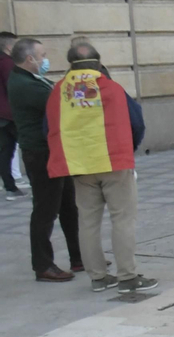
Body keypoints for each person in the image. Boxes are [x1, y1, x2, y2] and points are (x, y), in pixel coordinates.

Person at [45, 42, 154, 293]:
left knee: (88, 222)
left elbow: (48, 130)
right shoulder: (112, 88)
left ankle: (98, 278)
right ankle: (127, 277)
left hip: (80, 165)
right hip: (114, 162)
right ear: (97, 62)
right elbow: (137, 122)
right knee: (123, 219)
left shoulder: (59, 91)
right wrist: (129, 148)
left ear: (70, 63)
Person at [7, 38, 82, 281]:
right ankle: (43, 265)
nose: (45, 59)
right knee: (45, 211)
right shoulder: (24, 84)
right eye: (42, 55)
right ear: (29, 58)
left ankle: (79, 258)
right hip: (41, 154)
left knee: (68, 206)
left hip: (54, 151)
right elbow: (62, 104)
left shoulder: (33, 79)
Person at [0, 31, 24, 201]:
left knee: (5, 151)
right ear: (9, 46)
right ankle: (39, 187)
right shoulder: (7, 63)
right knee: (30, 147)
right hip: (10, 113)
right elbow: (14, 88)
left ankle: (10, 187)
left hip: (2, 115)